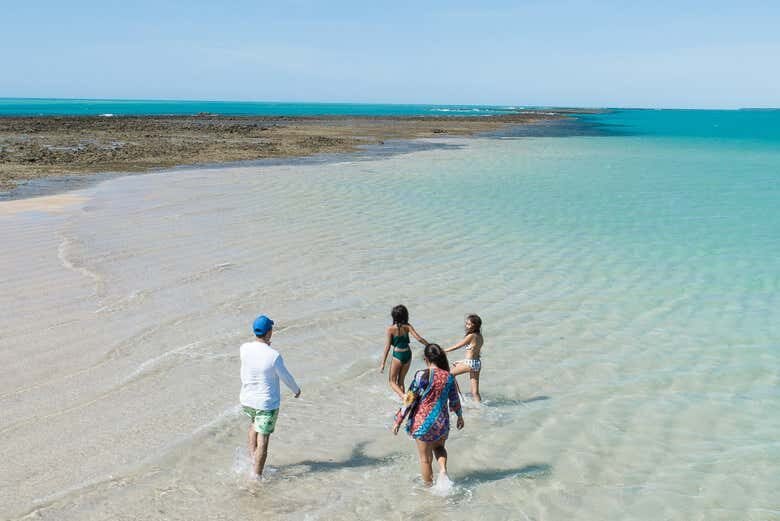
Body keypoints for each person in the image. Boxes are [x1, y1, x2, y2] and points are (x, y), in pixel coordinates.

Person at [239, 314, 301, 479]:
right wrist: (296, 390)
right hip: (266, 404)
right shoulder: (273, 355)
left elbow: (256, 359)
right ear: (269, 332)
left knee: (254, 425)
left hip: (247, 400)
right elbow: (286, 377)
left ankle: (253, 461)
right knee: (263, 440)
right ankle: (256, 477)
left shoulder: (244, 348)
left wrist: (264, 344)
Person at [392, 343, 464, 486]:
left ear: (426, 359)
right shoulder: (448, 377)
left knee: (425, 459)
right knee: (439, 448)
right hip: (441, 423)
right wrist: (460, 415)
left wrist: (399, 420)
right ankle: (443, 470)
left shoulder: (421, 375)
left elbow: (409, 399)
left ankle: (429, 489)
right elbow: (454, 399)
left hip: (422, 423)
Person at [379, 304, 429, 399]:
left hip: (398, 355)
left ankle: (404, 396)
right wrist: (429, 345)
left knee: (392, 381)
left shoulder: (390, 329)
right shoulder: (408, 326)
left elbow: (387, 347)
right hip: (408, 354)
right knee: (401, 381)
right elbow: (418, 338)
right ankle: (404, 403)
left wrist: (383, 363)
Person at [445, 314, 484, 403]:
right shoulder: (480, 336)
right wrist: (461, 361)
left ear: (475, 325)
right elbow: (475, 354)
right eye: (466, 324)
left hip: (470, 363)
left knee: (449, 374)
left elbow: (458, 346)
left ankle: (459, 399)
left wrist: (444, 350)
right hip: (477, 363)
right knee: (475, 392)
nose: (466, 326)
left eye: (469, 324)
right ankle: (479, 408)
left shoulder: (471, 336)